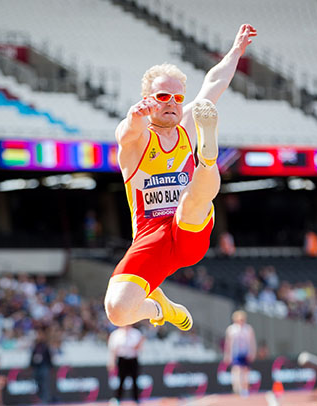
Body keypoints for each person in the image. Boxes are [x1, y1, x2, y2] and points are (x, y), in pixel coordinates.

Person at [104, 23, 257, 331]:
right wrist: (135, 117)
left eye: (177, 96)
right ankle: (161, 307)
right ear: (148, 99)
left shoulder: (188, 121)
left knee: (191, 200)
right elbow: (127, 132)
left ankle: (208, 155)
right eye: (163, 95)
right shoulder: (136, 137)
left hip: (190, 226)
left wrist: (236, 50)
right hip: (151, 237)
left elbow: (214, 81)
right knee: (117, 311)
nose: (173, 102)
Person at [107, 325, 145, 405]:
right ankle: (117, 399)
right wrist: (112, 361)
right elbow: (113, 350)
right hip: (122, 360)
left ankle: (136, 399)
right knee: (121, 380)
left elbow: (139, 347)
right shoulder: (116, 334)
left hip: (133, 359)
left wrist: (139, 344)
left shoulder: (136, 333)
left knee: (135, 380)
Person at [224, 310, 257, 397]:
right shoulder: (231, 329)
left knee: (246, 371)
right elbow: (228, 343)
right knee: (237, 370)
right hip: (236, 353)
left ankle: (245, 388)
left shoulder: (248, 329)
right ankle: (237, 388)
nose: (241, 321)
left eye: (242, 319)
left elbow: (252, 342)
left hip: (245, 352)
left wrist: (252, 352)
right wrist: (228, 355)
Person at [29, 328, 53, 404]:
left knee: (45, 384)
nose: (39, 336)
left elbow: (49, 357)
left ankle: (45, 400)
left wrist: (50, 366)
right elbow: (32, 356)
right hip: (37, 367)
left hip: (44, 367)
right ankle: (40, 399)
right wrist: (31, 365)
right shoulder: (35, 346)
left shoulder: (45, 346)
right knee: (38, 384)